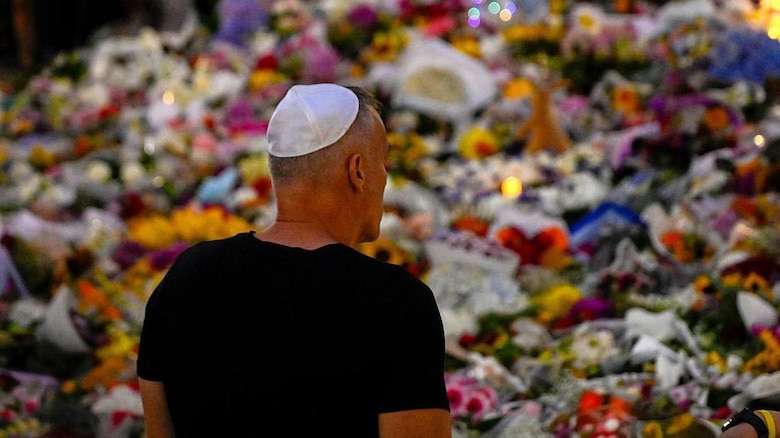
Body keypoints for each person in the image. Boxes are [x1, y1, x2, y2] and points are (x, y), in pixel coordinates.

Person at [136, 83, 453, 437]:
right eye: (382, 161)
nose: (385, 176)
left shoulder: (186, 278)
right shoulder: (396, 303)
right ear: (358, 170)